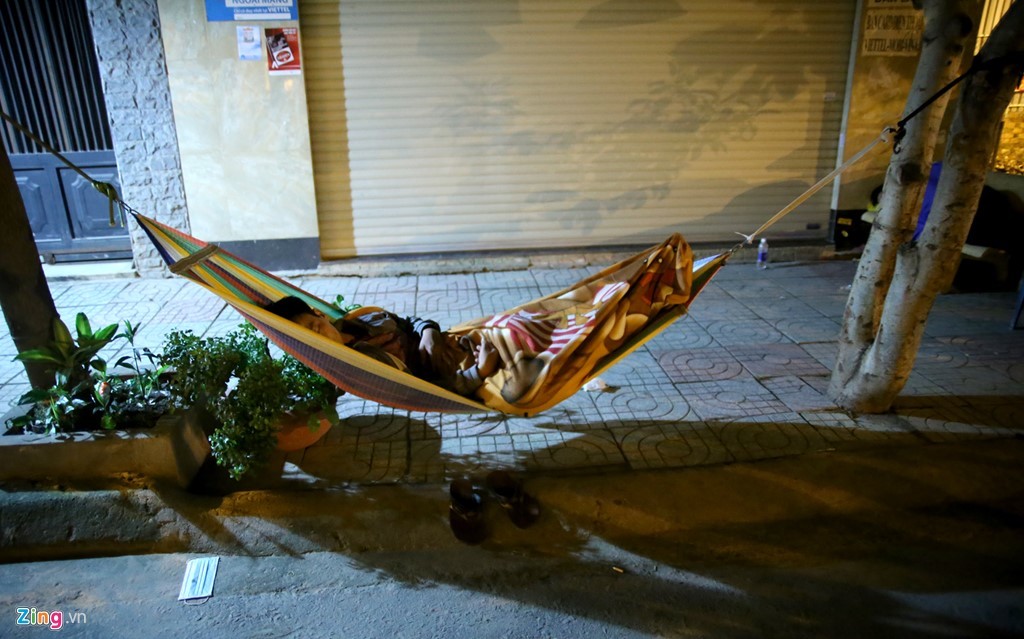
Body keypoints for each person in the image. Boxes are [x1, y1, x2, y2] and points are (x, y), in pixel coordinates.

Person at [263, 296, 499, 397]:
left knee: (517, 324)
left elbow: (407, 322)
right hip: (461, 373)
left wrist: (429, 332)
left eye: (315, 328)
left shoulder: (360, 320)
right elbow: (421, 391)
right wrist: (479, 372)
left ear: (320, 314)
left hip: (456, 340)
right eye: (309, 341)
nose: (320, 339)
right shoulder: (358, 367)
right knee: (523, 360)